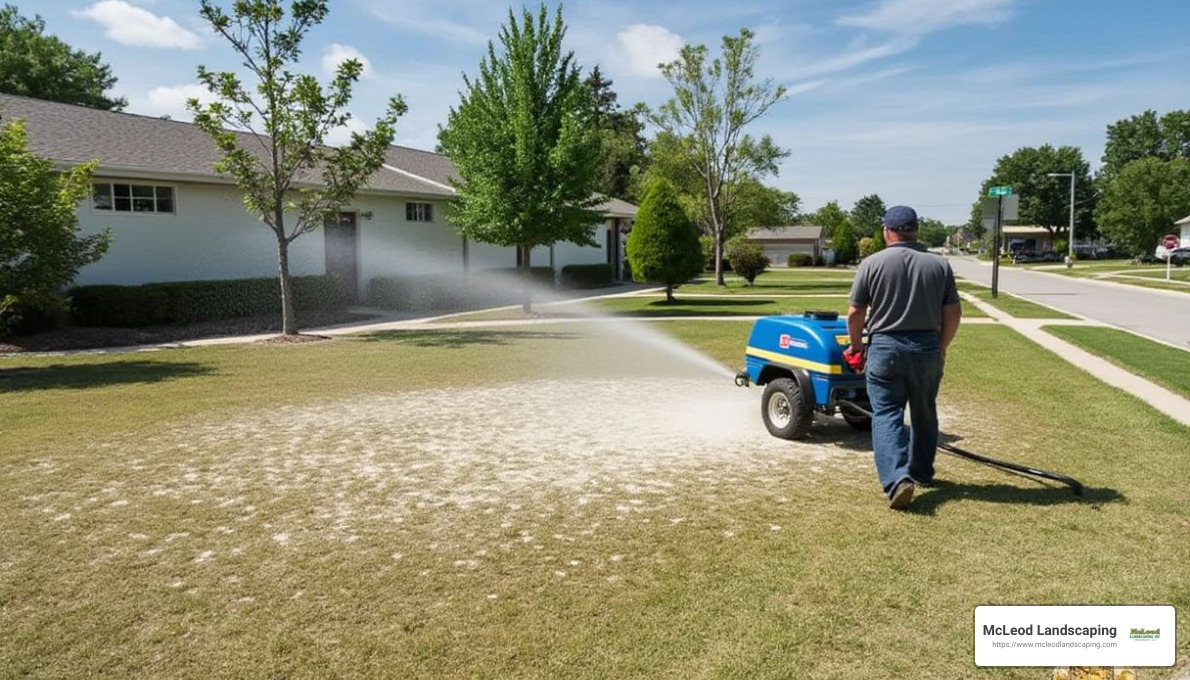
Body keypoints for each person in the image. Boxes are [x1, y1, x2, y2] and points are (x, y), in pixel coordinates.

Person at [844, 206, 962, 510]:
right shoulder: (940, 265)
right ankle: (921, 472)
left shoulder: (871, 264)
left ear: (887, 231)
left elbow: (856, 313)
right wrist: (942, 346)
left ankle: (898, 480)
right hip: (927, 347)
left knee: (886, 414)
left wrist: (856, 346)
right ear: (916, 230)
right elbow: (953, 313)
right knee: (925, 411)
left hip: (885, 348)